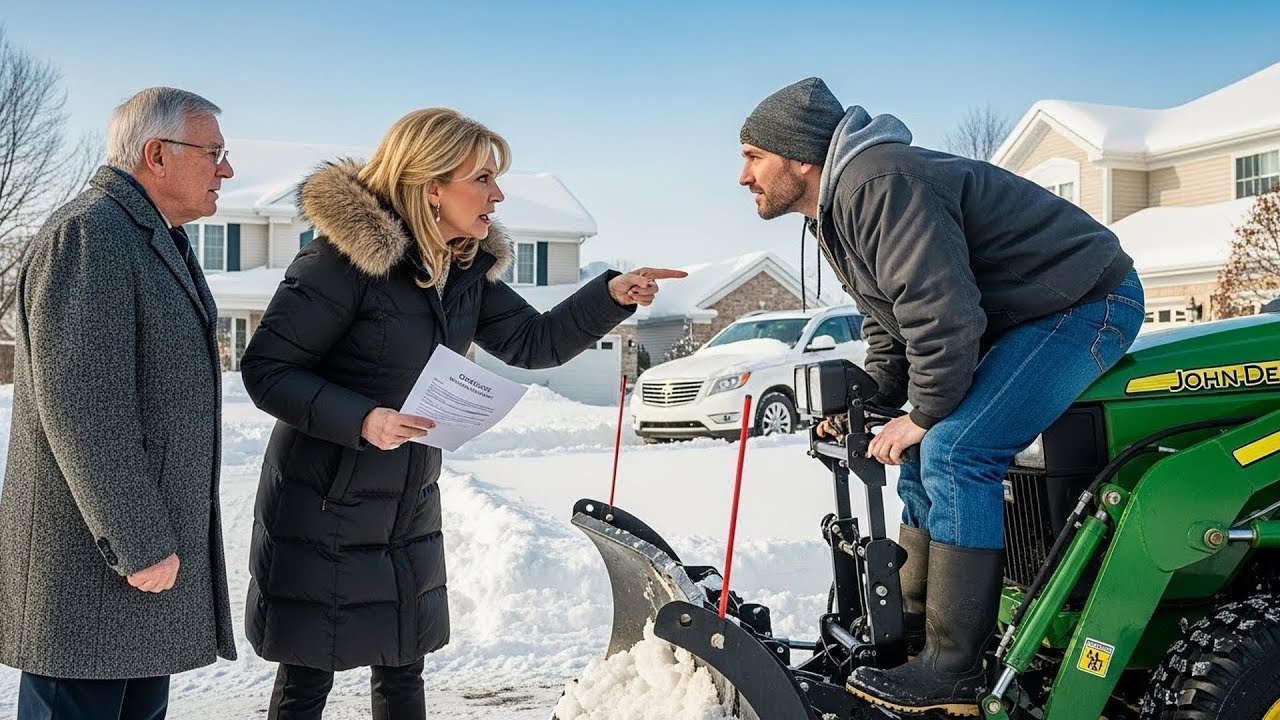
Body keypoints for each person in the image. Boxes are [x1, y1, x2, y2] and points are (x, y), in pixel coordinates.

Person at [239, 107, 684, 720]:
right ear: (430, 186)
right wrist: (365, 419)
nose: (497, 196)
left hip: (407, 497)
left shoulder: (464, 270)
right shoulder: (339, 263)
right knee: (309, 671)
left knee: (404, 661)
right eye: (483, 179)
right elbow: (268, 371)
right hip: (325, 502)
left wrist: (609, 296)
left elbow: (535, 342)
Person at [738, 78, 1144, 715]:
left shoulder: (880, 182)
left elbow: (943, 313)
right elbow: (893, 319)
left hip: (1084, 301)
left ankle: (953, 670)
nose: (743, 176)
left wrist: (924, 414)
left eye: (753, 156)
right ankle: (915, 640)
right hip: (1023, 317)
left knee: (956, 448)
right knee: (925, 453)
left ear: (799, 157)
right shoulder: (844, 206)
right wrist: (873, 401)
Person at [0, 87, 237, 719]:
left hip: (132, 580)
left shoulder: (146, 234)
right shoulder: (89, 234)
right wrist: (137, 541)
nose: (227, 169)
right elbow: (85, 407)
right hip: (94, 574)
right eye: (213, 152)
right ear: (157, 154)